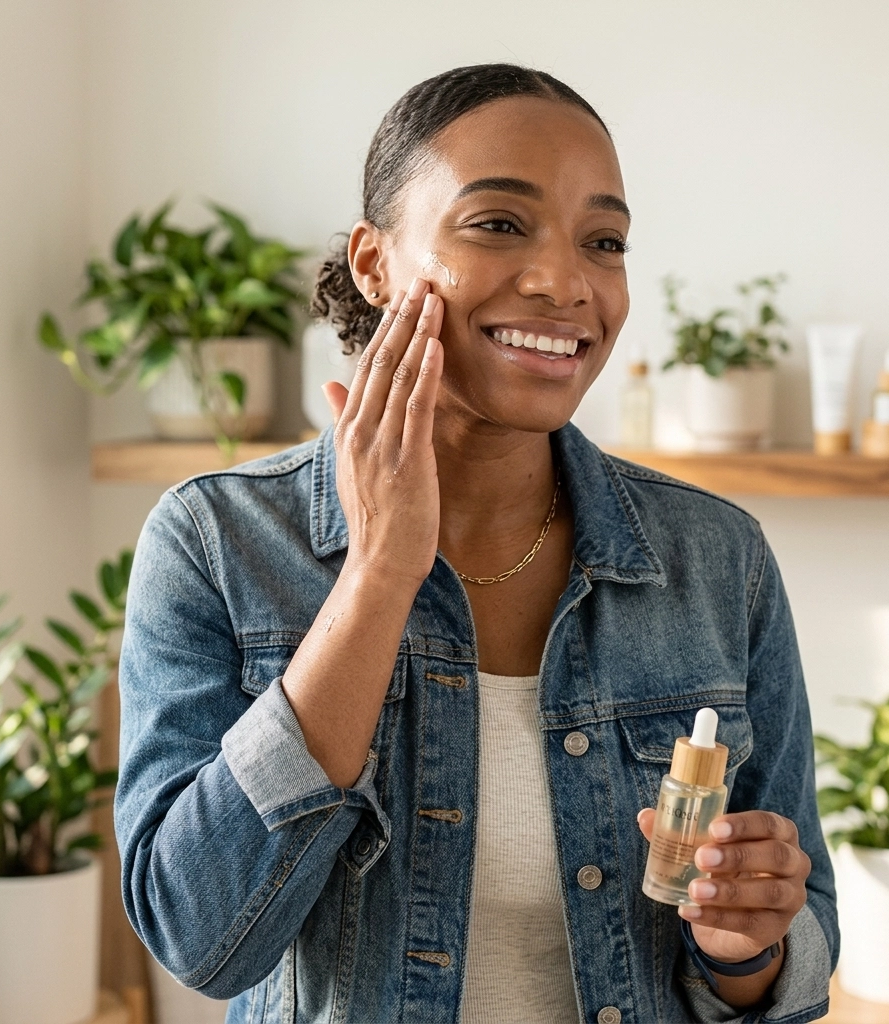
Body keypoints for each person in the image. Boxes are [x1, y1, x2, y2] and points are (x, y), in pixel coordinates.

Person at [115, 63, 838, 1023]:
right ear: (375, 264)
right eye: (499, 224)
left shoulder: (717, 559)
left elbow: (790, 962)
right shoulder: (217, 540)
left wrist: (748, 950)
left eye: (605, 241)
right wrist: (377, 577)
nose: (564, 282)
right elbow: (200, 939)